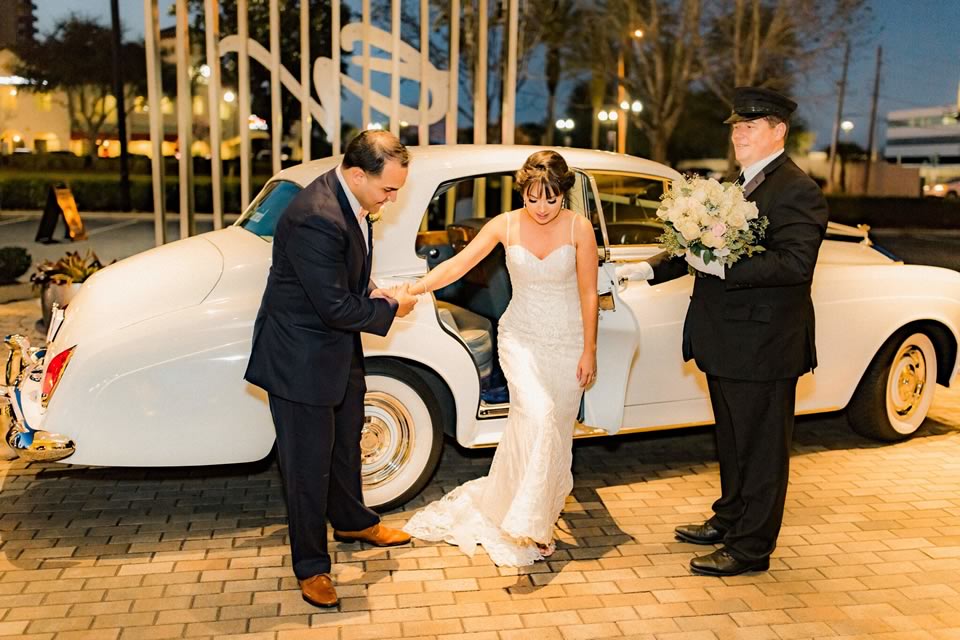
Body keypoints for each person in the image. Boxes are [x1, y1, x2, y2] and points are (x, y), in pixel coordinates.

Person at [640, 87, 829, 576]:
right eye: (736, 126)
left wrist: (725, 267)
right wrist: (643, 271)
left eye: (751, 125)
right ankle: (729, 519)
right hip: (725, 341)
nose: (739, 133)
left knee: (761, 451)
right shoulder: (732, 186)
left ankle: (750, 549)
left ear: (778, 131)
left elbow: (794, 263)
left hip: (764, 346)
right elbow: (693, 244)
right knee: (732, 440)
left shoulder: (796, 189)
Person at [244, 131, 420, 608]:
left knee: (346, 441)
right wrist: (393, 310)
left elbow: (344, 278)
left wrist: (376, 291)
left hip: (336, 352)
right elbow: (334, 306)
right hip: (300, 359)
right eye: (388, 189)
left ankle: (354, 520)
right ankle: (311, 567)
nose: (392, 198)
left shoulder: (352, 200)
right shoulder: (315, 217)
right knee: (306, 466)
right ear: (358, 174)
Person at [402, 150, 599, 566]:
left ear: (563, 194)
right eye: (532, 198)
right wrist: (414, 289)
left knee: (555, 431)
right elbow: (456, 265)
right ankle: (532, 527)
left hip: (567, 343)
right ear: (522, 194)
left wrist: (589, 350)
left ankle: (539, 510)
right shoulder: (504, 224)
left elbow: (587, 293)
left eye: (551, 199)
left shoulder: (580, 228)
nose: (541, 208)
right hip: (520, 339)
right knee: (540, 417)